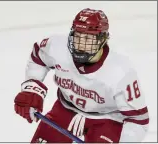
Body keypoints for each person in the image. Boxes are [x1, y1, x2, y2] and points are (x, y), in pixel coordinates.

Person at [14, 8, 149, 143]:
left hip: (107, 119)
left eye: (87, 39)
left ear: (102, 39)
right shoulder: (58, 47)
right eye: (77, 36)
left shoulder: (120, 72)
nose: (80, 45)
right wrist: (32, 89)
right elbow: (39, 56)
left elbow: (138, 120)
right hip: (65, 109)